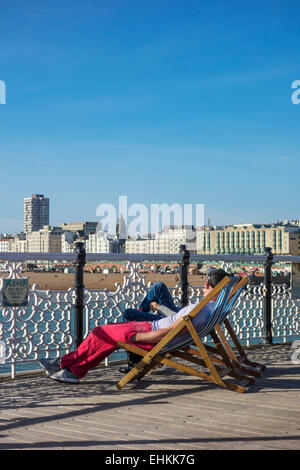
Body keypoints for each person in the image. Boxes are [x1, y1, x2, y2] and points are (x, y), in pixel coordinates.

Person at [39, 268, 228, 384]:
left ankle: (67, 366)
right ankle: (72, 368)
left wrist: (138, 337)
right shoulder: (212, 308)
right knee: (106, 337)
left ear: (207, 285)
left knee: (101, 333)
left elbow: (169, 332)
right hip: (151, 327)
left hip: (150, 332)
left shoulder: (201, 309)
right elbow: (174, 329)